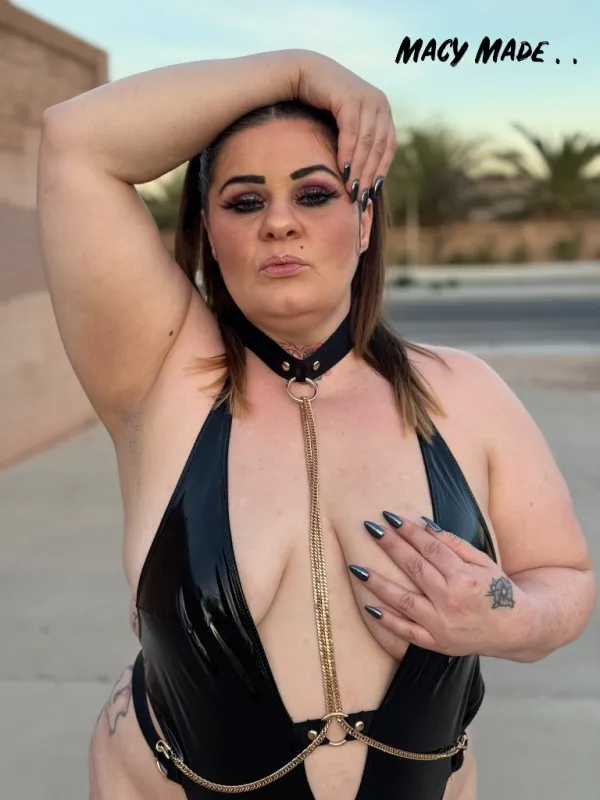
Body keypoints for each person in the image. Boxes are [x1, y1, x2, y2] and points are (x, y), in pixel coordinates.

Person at [37, 48, 596, 800]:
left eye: (314, 193)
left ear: (363, 221)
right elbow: (76, 140)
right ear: (208, 233)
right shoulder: (159, 378)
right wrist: (300, 71)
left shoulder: (464, 393)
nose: (279, 223)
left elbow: (565, 579)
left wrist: (511, 619)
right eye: (244, 202)